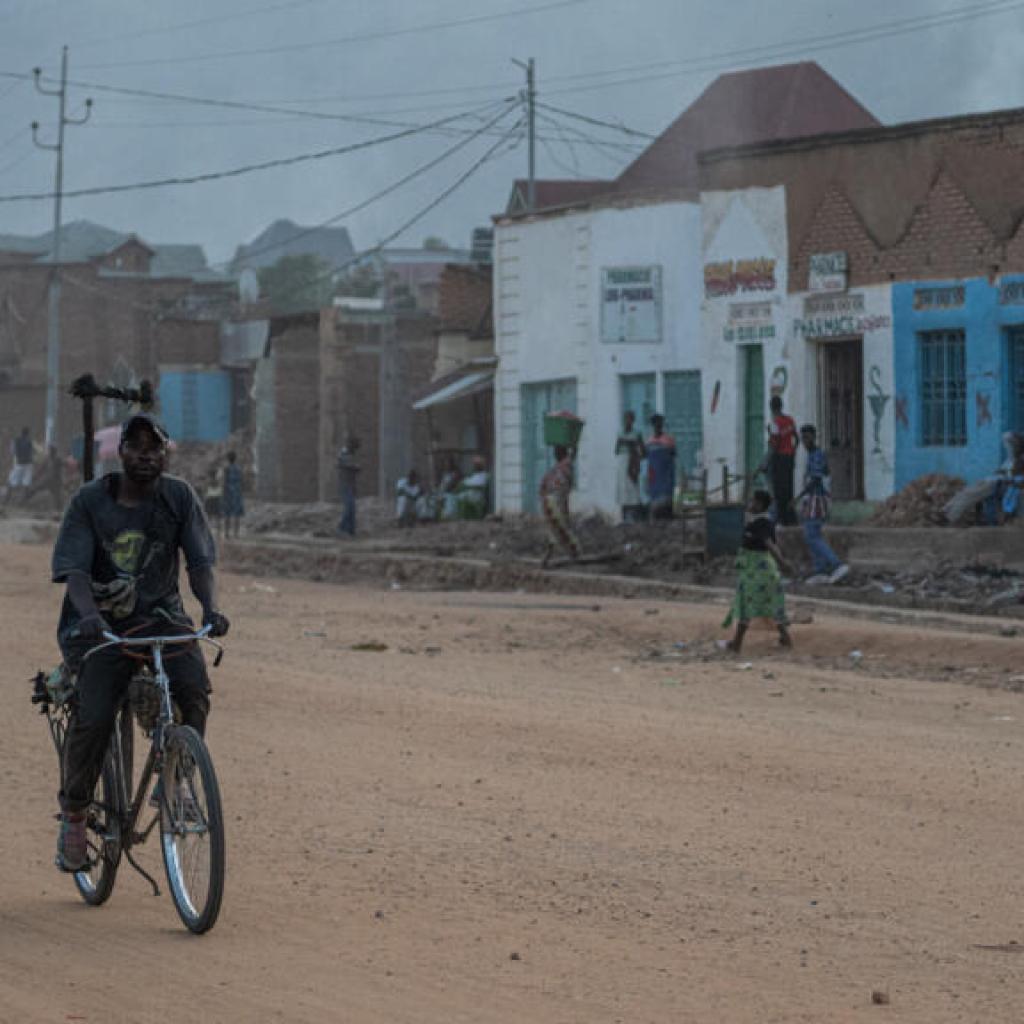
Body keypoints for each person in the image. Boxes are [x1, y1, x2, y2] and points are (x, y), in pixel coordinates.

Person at [50, 413, 229, 872]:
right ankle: (73, 815)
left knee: (194, 693)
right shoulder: (90, 502)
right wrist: (89, 617)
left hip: (163, 619)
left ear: (165, 453)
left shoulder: (179, 497)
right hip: (103, 626)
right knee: (92, 718)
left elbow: (200, 562)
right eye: (136, 446)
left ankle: (174, 781)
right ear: (122, 452)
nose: (146, 455)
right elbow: (73, 571)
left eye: (154, 447)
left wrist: (209, 609)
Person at [723, 489, 792, 652]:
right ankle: (786, 639)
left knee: (746, 604)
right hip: (757, 569)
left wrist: (782, 563)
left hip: (758, 570)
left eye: (753, 501)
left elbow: (769, 544)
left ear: (760, 504)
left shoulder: (761, 523)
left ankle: (737, 644)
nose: (750, 504)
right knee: (772, 604)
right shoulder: (758, 521)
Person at [795, 424, 848, 584]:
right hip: (812, 499)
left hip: (817, 498)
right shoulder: (811, 455)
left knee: (812, 534)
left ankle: (836, 564)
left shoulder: (817, 455)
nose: (805, 441)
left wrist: (798, 497)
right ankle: (820, 569)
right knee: (810, 533)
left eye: (808, 437)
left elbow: (815, 480)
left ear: (814, 437)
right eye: (803, 438)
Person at [539, 444, 581, 568]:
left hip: (550, 502)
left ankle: (549, 557)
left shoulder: (557, 468)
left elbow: (542, 487)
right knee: (562, 529)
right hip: (555, 502)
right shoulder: (563, 467)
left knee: (556, 530)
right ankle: (574, 553)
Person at [762, 395, 799, 525]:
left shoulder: (774, 423)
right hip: (789, 458)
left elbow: (774, 445)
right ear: (781, 406)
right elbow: (796, 438)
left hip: (779, 459)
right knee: (789, 489)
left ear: (771, 408)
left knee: (779, 491)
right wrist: (793, 452)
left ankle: (781, 518)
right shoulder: (790, 420)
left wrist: (765, 463)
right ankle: (790, 518)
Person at [615, 410, 646, 523]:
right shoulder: (620, 433)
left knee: (633, 488)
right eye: (625, 419)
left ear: (633, 421)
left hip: (632, 462)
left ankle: (634, 517)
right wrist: (622, 442)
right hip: (622, 462)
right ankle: (624, 517)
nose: (627, 422)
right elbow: (616, 450)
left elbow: (644, 452)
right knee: (623, 489)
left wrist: (633, 445)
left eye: (629, 419)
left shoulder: (637, 433)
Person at [645, 414, 676, 520]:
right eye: (655, 424)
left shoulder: (668, 440)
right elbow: (648, 459)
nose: (658, 426)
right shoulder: (649, 441)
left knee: (666, 501)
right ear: (653, 425)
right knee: (655, 500)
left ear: (662, 425)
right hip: (654, 475)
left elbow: (673, 455)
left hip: (666, 474)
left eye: (659, 423)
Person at [336, 437, 360, 536]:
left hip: (350, 484)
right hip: (345, 485)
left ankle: (351, 530)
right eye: (354, 448)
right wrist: (356, 467)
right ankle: (341, 528)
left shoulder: (349, 455)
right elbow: (349, 465)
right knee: (349, 507)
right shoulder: (343, 454)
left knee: (352, 508)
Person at [5, 425, 34, 505]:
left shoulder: (16, 440)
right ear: (28, 433)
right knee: (26, 483)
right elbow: (31, 453)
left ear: (21, 432)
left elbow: (13, 452)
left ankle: (6, 500)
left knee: (11, 481)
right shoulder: (29, 441)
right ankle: (23, 502)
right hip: (28, 464)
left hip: (19, 464)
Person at [457, 456, 490, 520]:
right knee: (460, 495)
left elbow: (481, 486)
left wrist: (468, 486)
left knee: (462, 496)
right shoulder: (474, 475)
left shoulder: (485, 475)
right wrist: (464, 485)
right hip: (469, 494)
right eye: (475, 465)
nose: (475, 466)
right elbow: (464, 483)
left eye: (478, 465)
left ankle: (463, 517)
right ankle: (463, 517)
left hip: (478, 496)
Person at [221, 451, 245, 539]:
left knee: (227, 513)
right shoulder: (239, 469)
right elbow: (242, 481)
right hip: (237, 492)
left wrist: (223, 493)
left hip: (228, 492)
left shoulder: (226, 468)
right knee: (236, 514)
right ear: (235, 459)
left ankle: (227, 533)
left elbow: (224, 481)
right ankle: (236, 534)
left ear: (228, 459)